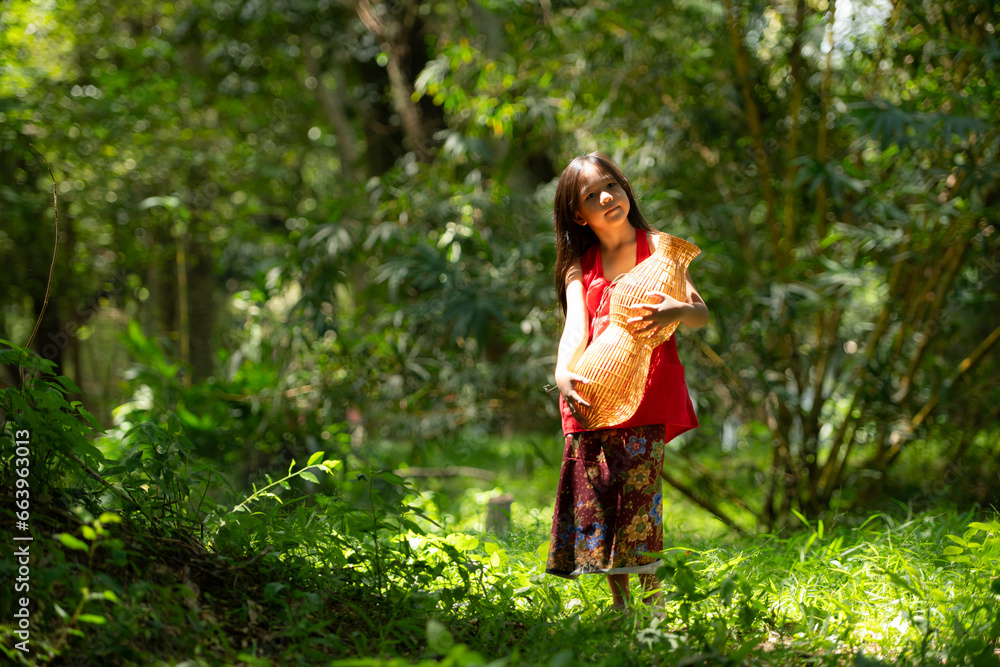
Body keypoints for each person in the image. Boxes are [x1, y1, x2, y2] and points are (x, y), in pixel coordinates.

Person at [545, 152, 709, 611]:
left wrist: (674, 311)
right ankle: (620, 607)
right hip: (593, 392)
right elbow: (576, 328)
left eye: (612, 186)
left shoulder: (658, 248)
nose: (606, 197)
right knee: (601, 500)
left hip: (647, 393)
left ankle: (652, 606)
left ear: (625, 189)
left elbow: (700, 313)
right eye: (591, 195)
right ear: (579, 214)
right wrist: (563, 373)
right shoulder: (582, 263)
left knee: (639, 498)